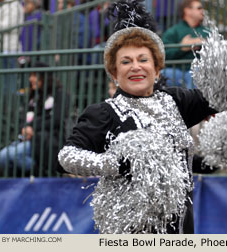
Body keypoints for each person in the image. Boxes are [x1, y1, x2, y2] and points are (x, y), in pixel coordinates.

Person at [58, 0, 218, 234]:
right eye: (126, 61)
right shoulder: (103, 113)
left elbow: (221, 98)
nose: (136, 67)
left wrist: (216, 158)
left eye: (143, 60)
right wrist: (117, 164)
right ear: (114, 72)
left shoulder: (176, 101)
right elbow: (67, 156)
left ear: (157, 69)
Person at [0, 62, 69, 177]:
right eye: (30, 75)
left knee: (15, 155)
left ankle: (42, 175)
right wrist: (24, 128)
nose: (31, 79)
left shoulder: (60, 94)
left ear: (44, 77)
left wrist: (32, 128)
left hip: (46, 141)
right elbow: (22, 118)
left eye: (34, 76)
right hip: (27, 139)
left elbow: (56, 119)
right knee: (3, 156)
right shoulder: (32, 96)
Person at [161, 0, 207, 89]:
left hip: (199, 71)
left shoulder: (207, 31)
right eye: (199, 8)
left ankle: (194, 101)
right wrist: (182, 48)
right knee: (162, 74)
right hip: (176, 71)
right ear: (187, 10)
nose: (202, 11)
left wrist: (205, 42)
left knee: (197, 74)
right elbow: (162, 54)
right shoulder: (173, 31)